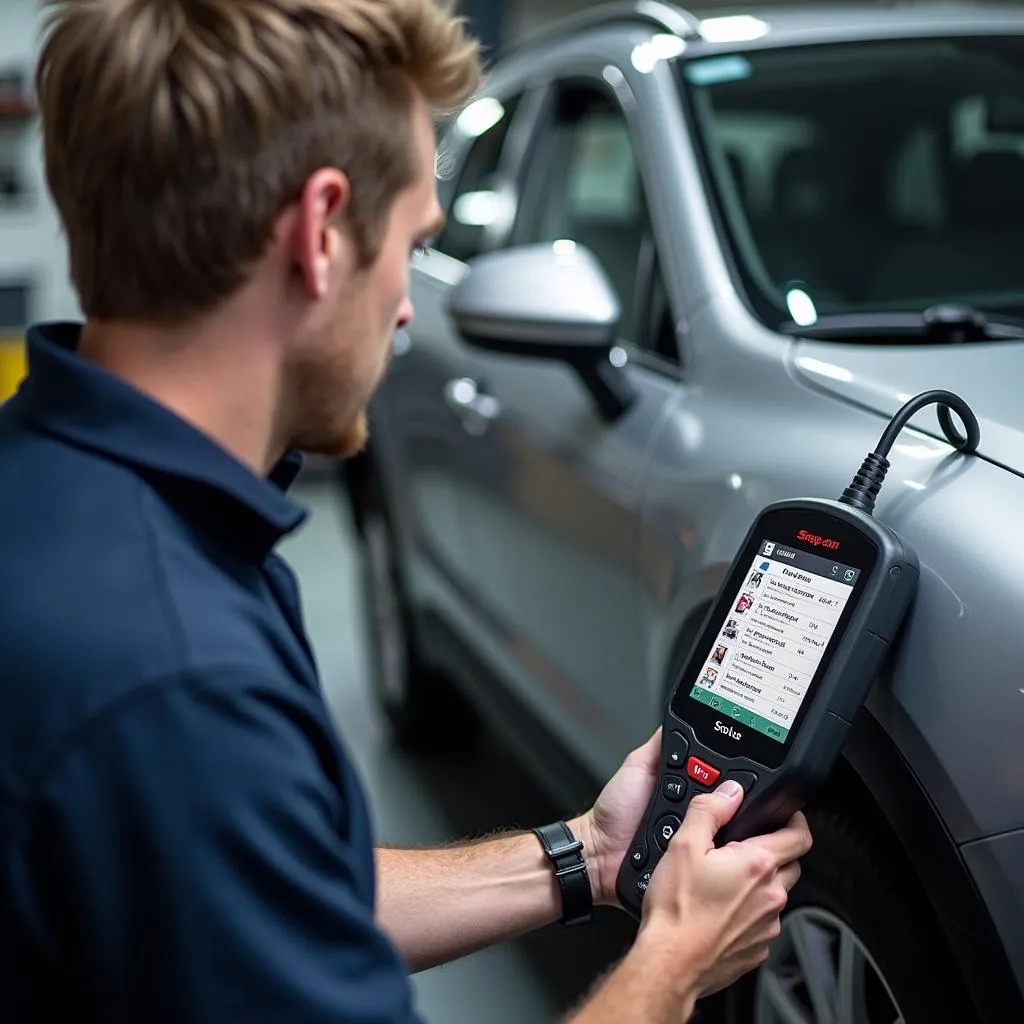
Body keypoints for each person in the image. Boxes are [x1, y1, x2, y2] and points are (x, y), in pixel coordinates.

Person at [0, 2, 812, 1021]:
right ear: (322, 231)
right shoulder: (173, 673)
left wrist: (589, 855)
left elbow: (274, 895)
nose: (406, 307)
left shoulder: (76, 497)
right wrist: (675, 960)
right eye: (410, 244)